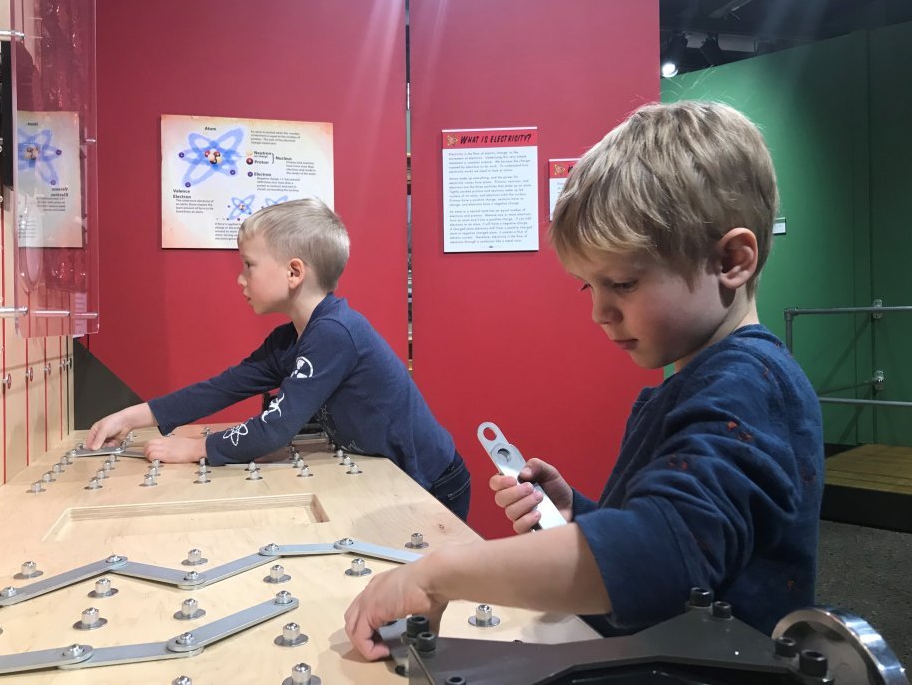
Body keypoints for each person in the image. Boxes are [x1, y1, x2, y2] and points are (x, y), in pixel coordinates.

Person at [344, 101, 823, 658]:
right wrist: (580, 516)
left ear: (732, 260)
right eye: (587, 288)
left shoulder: (748, 386)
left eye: (621, 283)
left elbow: (664, 558)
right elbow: (695, 535)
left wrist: (437, 573)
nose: (599, 312)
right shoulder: (713, 379)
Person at [86, 198, 471, 521]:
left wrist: (198, 449)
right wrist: (131, 417)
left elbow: (275, 429)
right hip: (392, 477)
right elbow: (224, 386)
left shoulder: (335, 334)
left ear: (293, 272)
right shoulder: (292, 339)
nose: (240, 279)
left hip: (432, 483)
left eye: (249, 265)